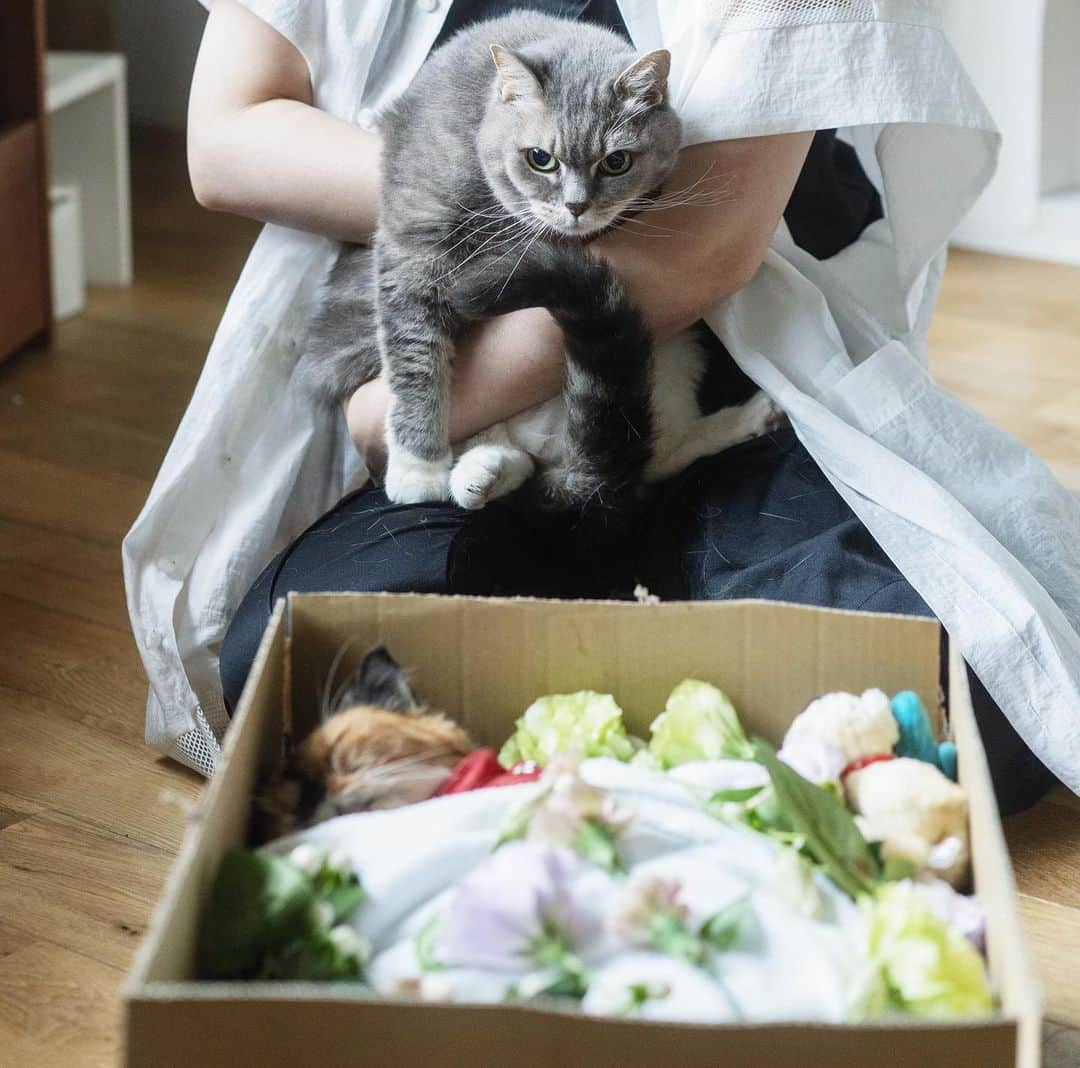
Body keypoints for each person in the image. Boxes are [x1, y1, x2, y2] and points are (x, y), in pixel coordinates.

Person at [124, 0, 1080, 812]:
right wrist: (481, 200)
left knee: (963, 692)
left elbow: (693, 254)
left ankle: (582, 698)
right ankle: (666, 705)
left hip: (711, 371)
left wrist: (410, 413)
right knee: (298, 679)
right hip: (474, 398)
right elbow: (228, 137)